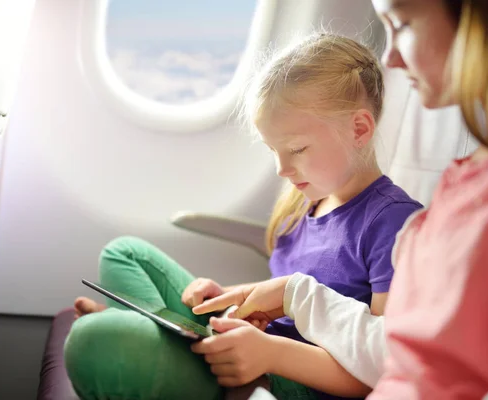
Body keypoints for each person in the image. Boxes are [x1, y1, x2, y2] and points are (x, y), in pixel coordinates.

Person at [194, 0, 488, 399]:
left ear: (479, 21)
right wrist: (260, 298)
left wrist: (281, 331)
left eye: (402, 24)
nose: (389, 57)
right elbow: (400, 347)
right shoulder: (468, 178)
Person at [63, 32, 422, 400]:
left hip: (291, 380)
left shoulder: (392, 225)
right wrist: (231, 296)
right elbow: (280, 298)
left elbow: (381, 371)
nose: (282, 168)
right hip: (257, 346)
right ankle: (151, 329)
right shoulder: (309, 200)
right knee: (124, 253)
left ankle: (136, 332)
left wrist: (269, 355)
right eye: (273, 150)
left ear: (359, 129)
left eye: (297, 149)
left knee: (92, 342)